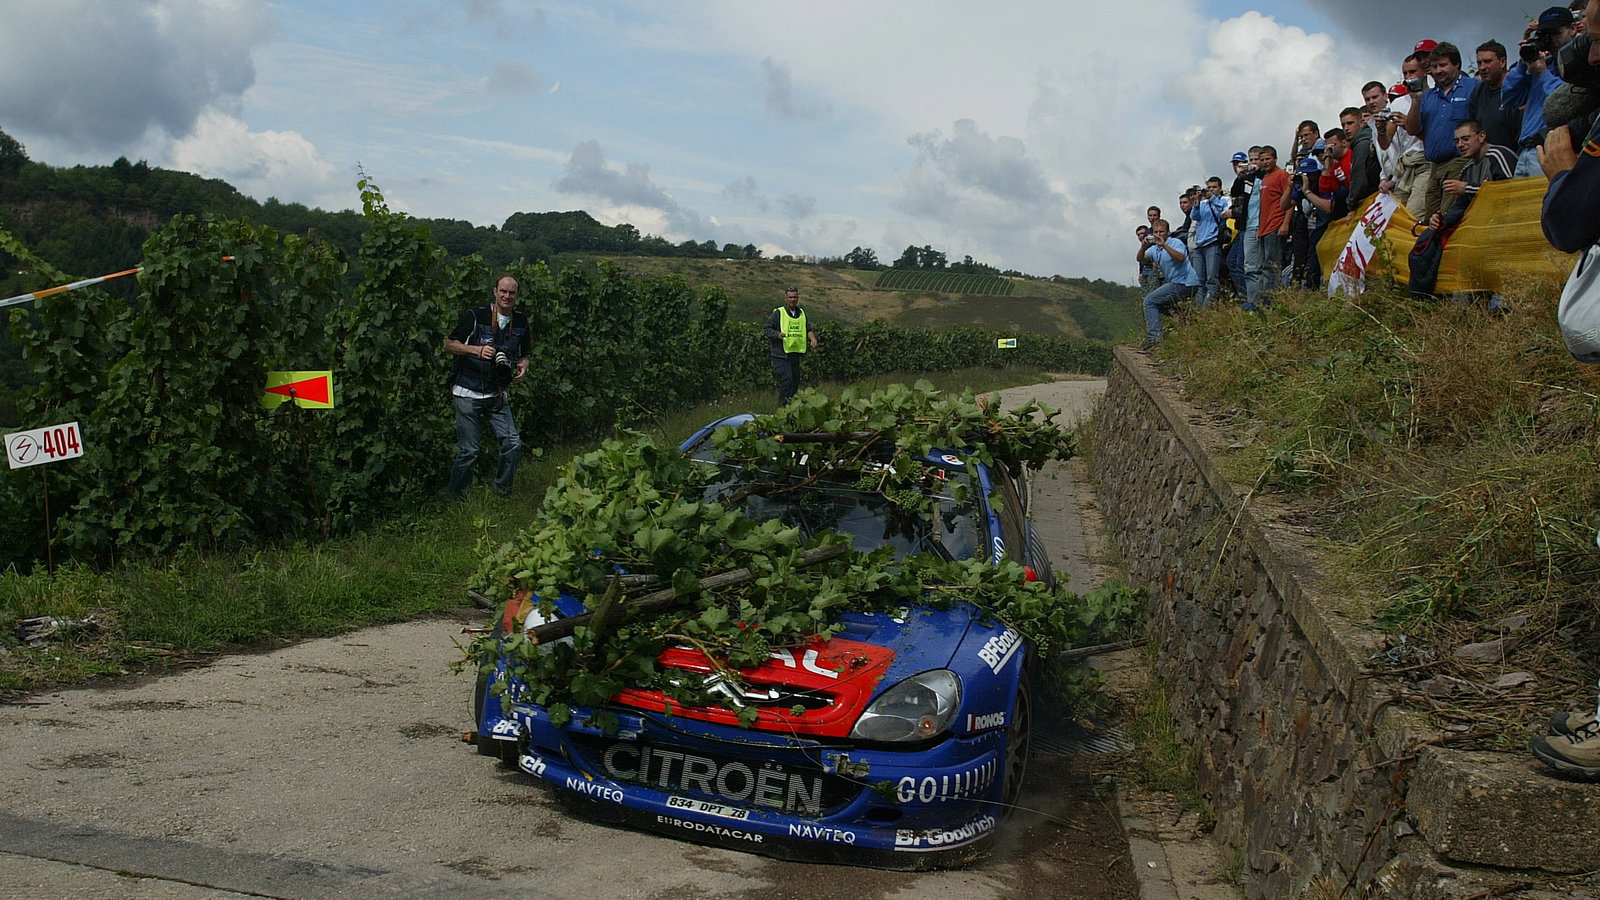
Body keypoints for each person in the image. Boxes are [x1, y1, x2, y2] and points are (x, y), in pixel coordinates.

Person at [444, 274, 531, 499]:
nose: (507, 296)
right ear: (494, 292)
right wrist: (477, 350)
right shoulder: (476, 316)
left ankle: (501, 491)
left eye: (512, 292)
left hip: (496, 392)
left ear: (517, 295)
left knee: (513, 443)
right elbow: (449, 344)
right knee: (470, 450)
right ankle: (455, 497)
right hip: (467, 390)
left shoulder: (520, 321)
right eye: (503, 291)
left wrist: (522, 366)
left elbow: (524, 355)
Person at [1402, 42, 1481, 219]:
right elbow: (1412, 129)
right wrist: (1415, 101)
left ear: (1457, 64)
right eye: (1435, 66)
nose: (1438, 70)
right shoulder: (1428, 95)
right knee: (1432, 219)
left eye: (1443, 65)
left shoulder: (1473, 86)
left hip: (1460, 163)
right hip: (1434, 167)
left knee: (1448, 218)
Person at [1503, 7, 1581, 177]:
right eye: (1546, 35)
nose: (1551, 40)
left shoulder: (1580, 63)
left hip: (1553, 148)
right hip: (1526, 150)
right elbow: (1509, 99)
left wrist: (1543, 75)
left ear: (1573, 29)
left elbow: (1568, 100)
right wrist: (1523, 62)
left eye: (1556, 33)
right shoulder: (1540, 65)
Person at [1138, 219, 1200, 345]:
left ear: (1168, 233)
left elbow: (1181, 257)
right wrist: (1143, 247)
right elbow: (1140, 258)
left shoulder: (1175, 242)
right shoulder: (1154, 249)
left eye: (1162, 232)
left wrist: (1165, 245)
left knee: (1149, 301)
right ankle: (1186, 317)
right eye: (1156, 232)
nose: (1159, 235)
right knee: (1158, 304)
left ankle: (1154, 338)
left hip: (1185, 282)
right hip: (1175, 283)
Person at [763, 286, 818, 405]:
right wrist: (777, 334)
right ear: (786, 298)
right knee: (786, 380)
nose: (793, 300)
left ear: (798, 298)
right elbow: (766, 329)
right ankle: (783, 408)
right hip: (781, 355)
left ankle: (791, 408)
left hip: (795, 353)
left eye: (795, 297)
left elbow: (808, 329)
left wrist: (813, 339)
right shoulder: (778, 313)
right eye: (790, 297)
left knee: (795, 381)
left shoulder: (802, 313)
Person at [1191, 176, 1231, 308]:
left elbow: (1224, 211)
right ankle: (1198, 309)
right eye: (1209, 187)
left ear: (1220, 188)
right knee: (1198, 281)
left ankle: (1206, 309)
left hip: (1213, 242)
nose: (1211, 190)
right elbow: (1195, 217)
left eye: (1214, 187)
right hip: (1199, 244)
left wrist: (1212, 198)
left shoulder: (1224, 200)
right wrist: (1197, 202)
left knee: (1211, 279)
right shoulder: (1203, 203)